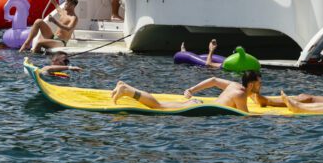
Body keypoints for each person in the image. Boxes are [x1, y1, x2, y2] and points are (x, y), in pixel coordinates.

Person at [110, 70, 268, 112]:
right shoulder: (240, 94)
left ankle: (124, 86)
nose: (261, 86)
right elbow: (245, 116)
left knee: (160, 105)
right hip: (198, 107)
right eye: (259, 83)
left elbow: (213, 80)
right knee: (158, 106)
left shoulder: (234, 85)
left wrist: (191, 89)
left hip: (198, 103)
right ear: (252, 84)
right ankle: (127, 90)